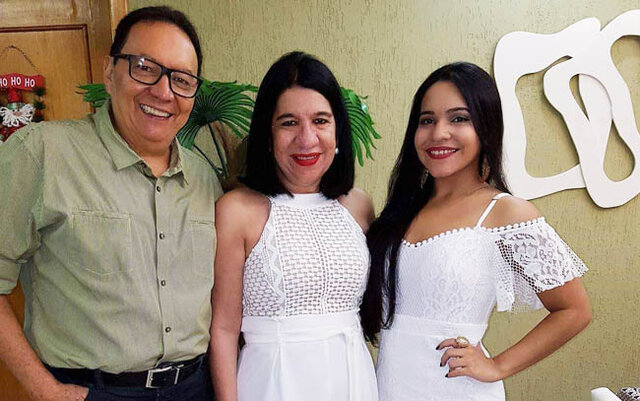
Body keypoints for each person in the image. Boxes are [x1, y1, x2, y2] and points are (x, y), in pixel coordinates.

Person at [0, 7, 221, 401]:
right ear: (109, 71)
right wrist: (45, 390)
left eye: (182, 80)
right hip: (91, 391)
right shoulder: (43, 153)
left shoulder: (204, 179)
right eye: (144, 68)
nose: (164, 92)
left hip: (195, 388)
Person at [360, 62, 591, 401]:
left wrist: (497, 365)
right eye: (427, 120)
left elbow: (574, 310)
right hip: (389, 387)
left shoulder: (506, 213)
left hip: (458, 391)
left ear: (486, 127)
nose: (439, 133)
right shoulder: (399, 214)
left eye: (458, 118)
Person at [210, 51, 378, 401]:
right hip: (273, 384)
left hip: (352, 381)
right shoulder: (237, 211)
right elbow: (224, 329)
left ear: (338, 130)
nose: (307, 138)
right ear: (268, 135)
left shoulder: (358, 206)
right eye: (288, 123)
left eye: (320, 121)